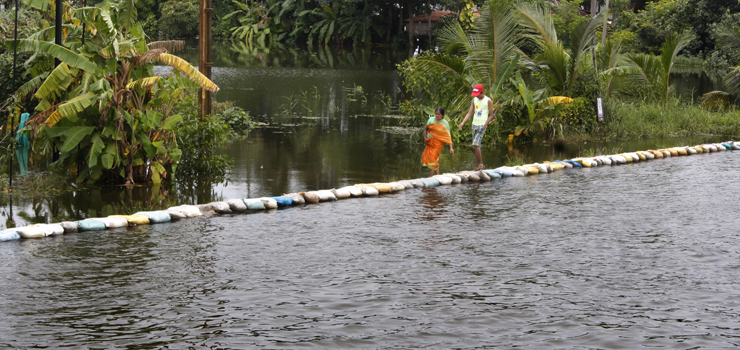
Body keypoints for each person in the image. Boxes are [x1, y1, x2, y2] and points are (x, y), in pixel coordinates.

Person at [457, 84, 496, 170]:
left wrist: (485, 124)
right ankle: (480, 164)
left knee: (475, 144)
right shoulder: (474, 100)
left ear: (482, 92)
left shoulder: (488, 100)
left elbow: (491, 115)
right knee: (476, 145)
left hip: (482, 125)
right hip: (474, 125)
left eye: (478, 94)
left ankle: (480, 164)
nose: (477, 96)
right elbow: (469, 113)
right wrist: (463, 122)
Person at [422, 107, 454, 177]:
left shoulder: (445, 123)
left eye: (438, 114)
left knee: (433, 157)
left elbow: (448, 136)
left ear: (442, 115)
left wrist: (451, 148)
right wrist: (425, 138)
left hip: (438, 143)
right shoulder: (431, 120)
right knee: (430, 157)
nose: (437, 115)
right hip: (430, 142)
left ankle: (431, 175)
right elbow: (425, 129)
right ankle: (438, 175)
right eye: (436, 114)